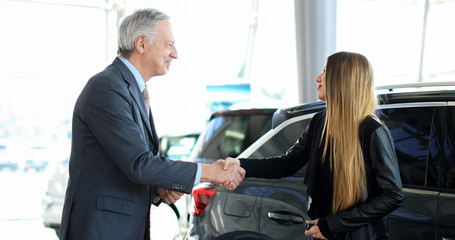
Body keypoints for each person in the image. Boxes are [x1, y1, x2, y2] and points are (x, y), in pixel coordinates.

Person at [60, 8, 245, 240]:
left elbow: (123, 165)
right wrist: (212, 173)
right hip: (102, 229)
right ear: (141, 43)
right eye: (168, 44)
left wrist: (157, 188)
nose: (175, 53)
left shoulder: (130, 89)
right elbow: (139, 163)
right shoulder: (106, 88)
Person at [224, 52, 404, 239]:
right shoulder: (320, 122)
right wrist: (241, 165)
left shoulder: (372, 130)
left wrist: (332, 225)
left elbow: (392, 195)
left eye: (326, 71)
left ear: (343, 79)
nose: (318, 77)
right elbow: (287, 163)